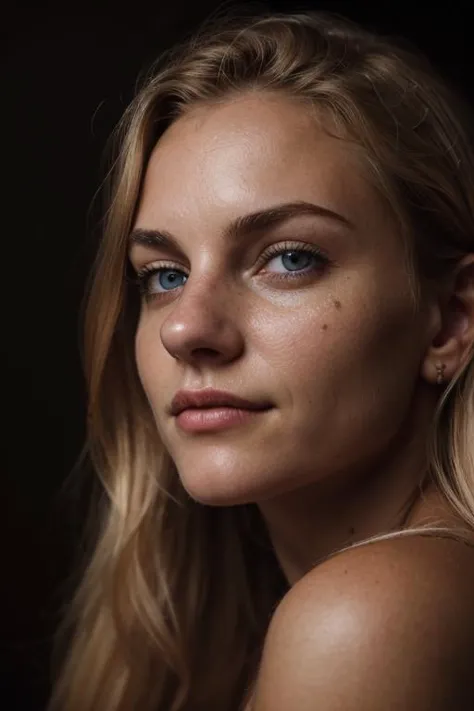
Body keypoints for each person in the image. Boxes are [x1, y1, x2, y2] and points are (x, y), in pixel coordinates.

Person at [49, 7, 474, 711]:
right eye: (164, 273)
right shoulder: (250, 629)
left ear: (451, 320)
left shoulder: (364, 620)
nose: (186, 327)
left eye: (289, 258)